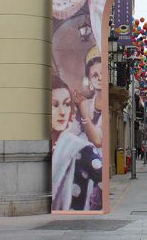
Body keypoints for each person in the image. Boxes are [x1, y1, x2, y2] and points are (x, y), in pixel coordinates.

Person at [51, 75, 102, 211]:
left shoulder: (80, 149)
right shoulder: (47, 147)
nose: (62, 112)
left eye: (66, 104)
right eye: (55, 105)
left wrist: (95, 206)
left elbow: (102, 178)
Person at [71, 48, 104, 148]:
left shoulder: (109, 105)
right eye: (95, 75)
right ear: (89, 80)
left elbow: (98, 141)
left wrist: (84, 115)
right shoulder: (86, 104)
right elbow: (72, 133)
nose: (100, 78)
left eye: (102, 73)